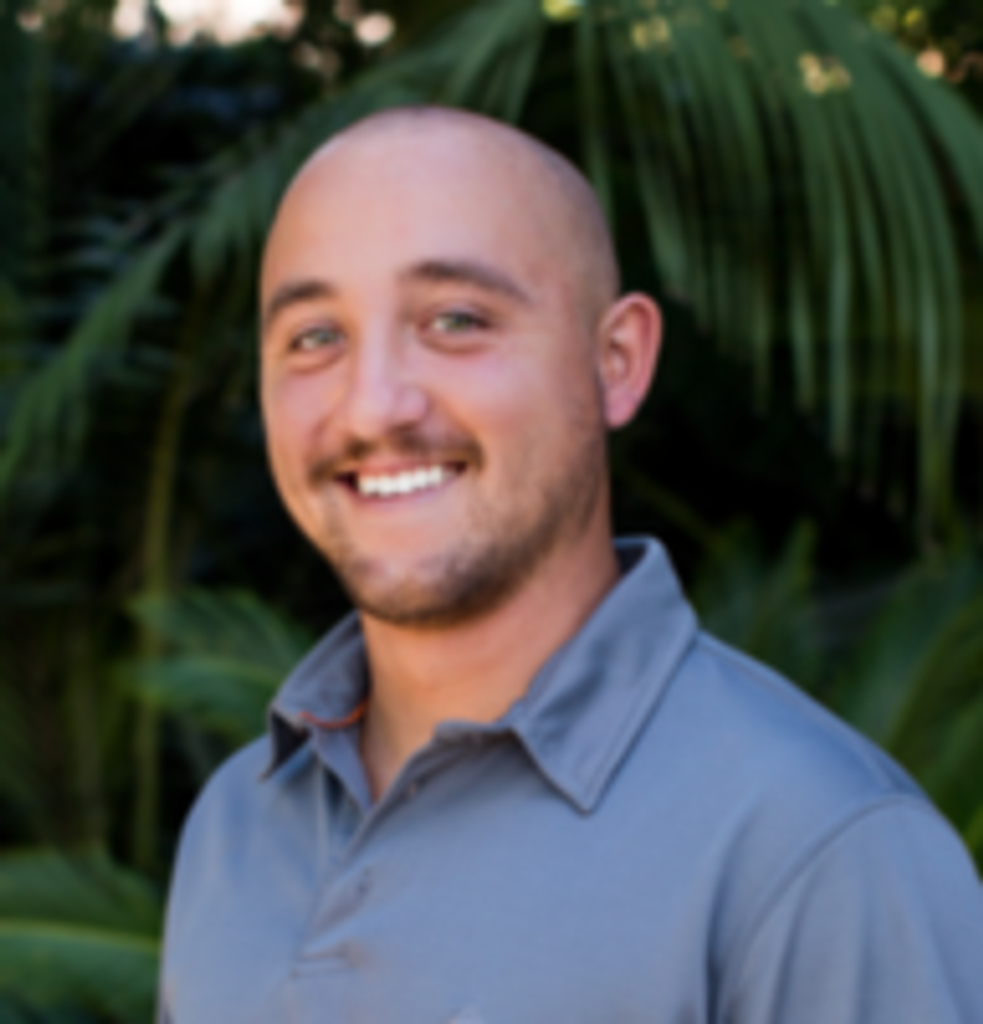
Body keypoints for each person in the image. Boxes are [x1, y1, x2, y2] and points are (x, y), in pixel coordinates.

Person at [158, 106, 983, 1024]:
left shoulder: (817, 850)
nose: (371, 407)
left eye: (455, 320)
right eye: (315, 336)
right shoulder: (234, 824)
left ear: (616, 360)